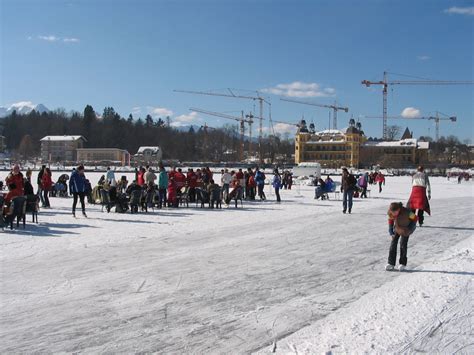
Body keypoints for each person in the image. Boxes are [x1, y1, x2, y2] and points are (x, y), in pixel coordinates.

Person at [386, 202, 417, 271]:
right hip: (397, 228)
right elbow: (391, 220)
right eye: (392, 212)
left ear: (399, 209)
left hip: (405, 229)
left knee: (403, 244)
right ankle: (391, 263)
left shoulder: (407, 212)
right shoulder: (391, 212)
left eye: (395, 212)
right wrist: (390, 229)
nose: (394, 214)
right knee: (393, 244)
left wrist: (410, 228)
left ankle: (402, 263)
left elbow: (415, 218)